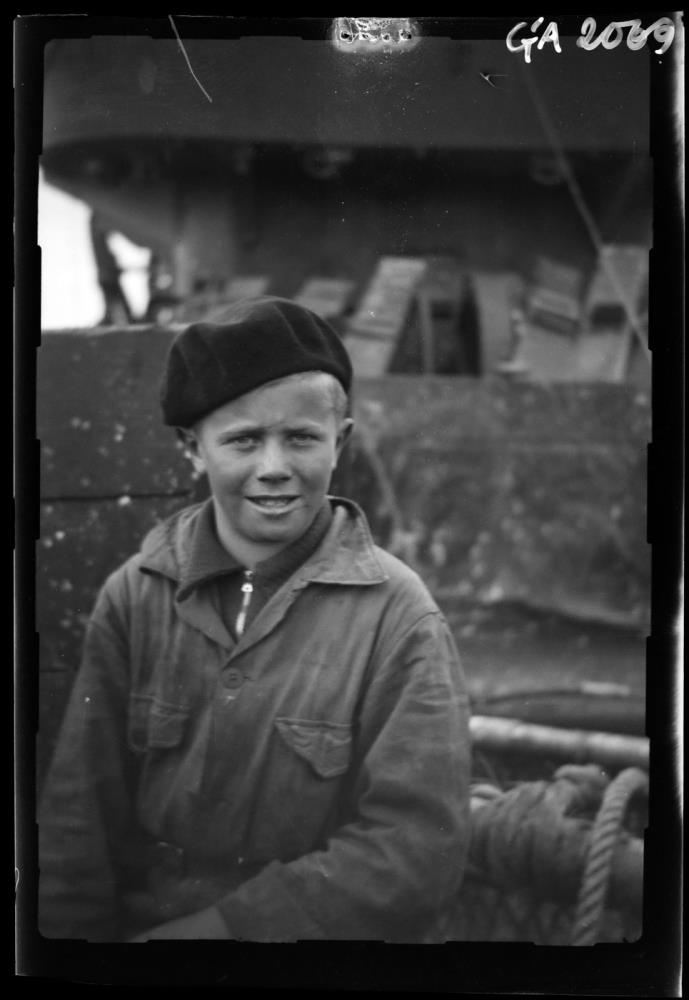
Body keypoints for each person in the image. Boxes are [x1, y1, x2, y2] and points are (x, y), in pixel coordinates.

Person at [38, 296, 471, 943]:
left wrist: (219, 930)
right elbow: (78, 821)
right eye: (243, 440)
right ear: (193, 449)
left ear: (340, 441)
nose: (274, 468)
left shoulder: (399, 617)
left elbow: (414, 853)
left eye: (301, 438)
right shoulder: (135, 596)